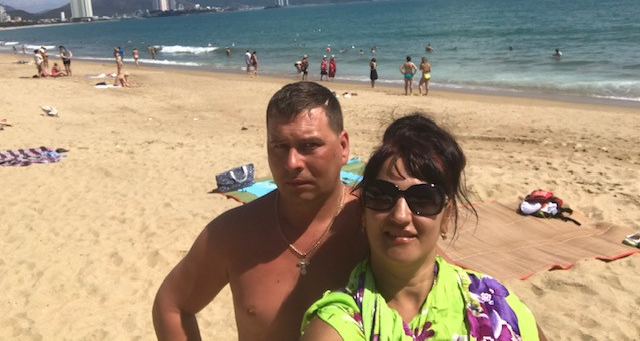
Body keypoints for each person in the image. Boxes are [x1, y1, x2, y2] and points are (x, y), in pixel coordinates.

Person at [301, 114, 547, 341]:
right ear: (364, 213)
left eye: (423, 199)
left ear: (447, 216)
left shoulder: (494, 304)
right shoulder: (336, 326)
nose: (400, 215)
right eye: (382, 196)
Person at [153, 82, 367, 341]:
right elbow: (172, 305)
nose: (292, 163)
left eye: (309, 145)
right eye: (279, 146)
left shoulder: (374, 223)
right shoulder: (235, 233)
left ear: (343, 147)